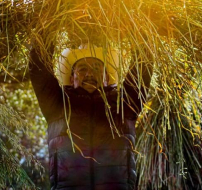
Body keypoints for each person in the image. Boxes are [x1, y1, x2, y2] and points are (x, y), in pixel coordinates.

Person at [29, 44, 151, 190]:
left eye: (96, 68)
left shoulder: (123, 105)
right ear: (71, 77)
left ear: (107, 77)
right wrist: (46, 34)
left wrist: (141, 36)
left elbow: (142, 68)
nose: (89, 74)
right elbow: (38, 69)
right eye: (82, 69)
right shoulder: (57, 104)